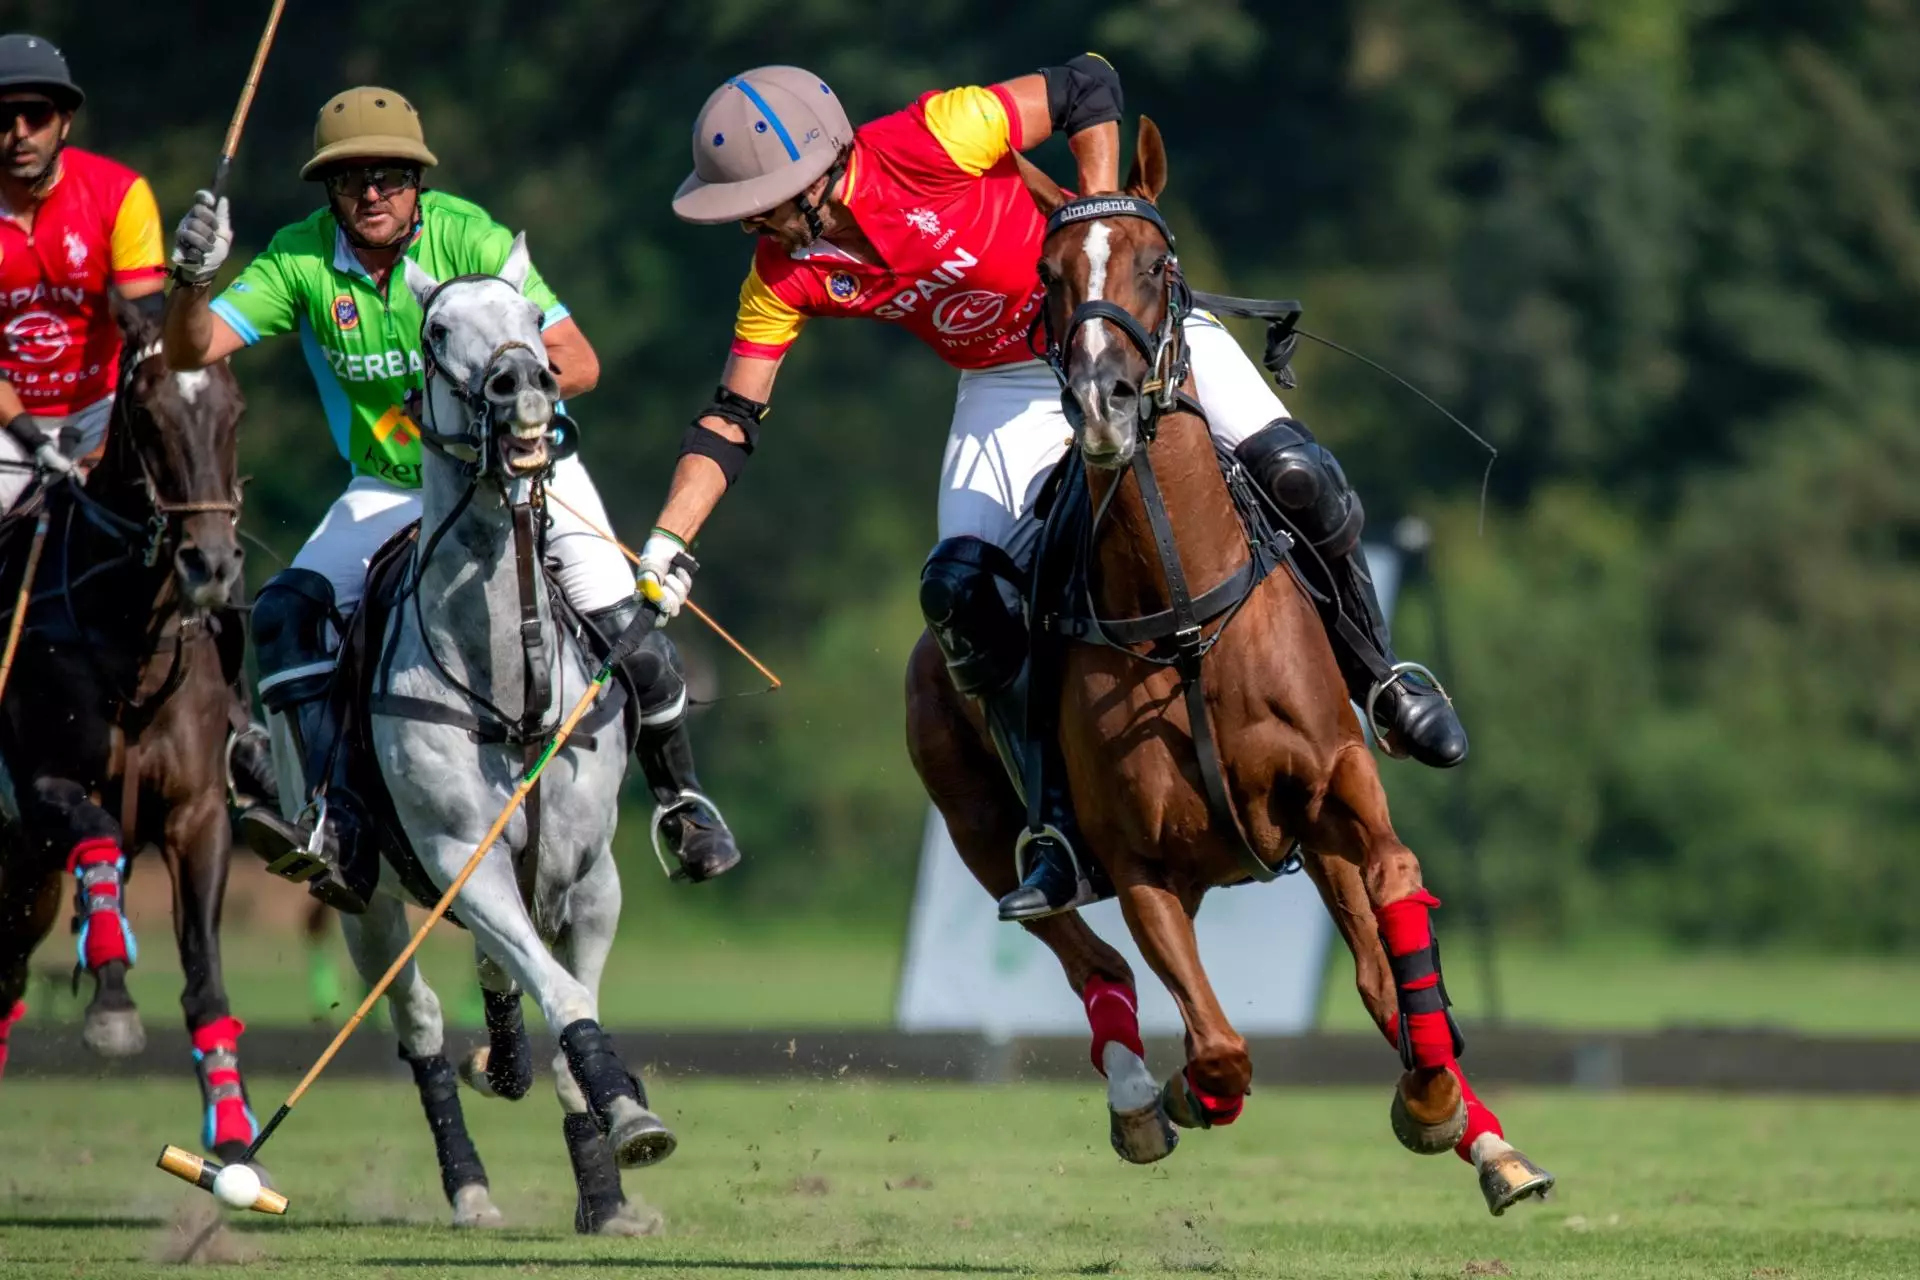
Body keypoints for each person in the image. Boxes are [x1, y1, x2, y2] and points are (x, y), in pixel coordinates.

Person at [658, 59, 1468, 922]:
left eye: (762, 202)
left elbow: (1088, 86)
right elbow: (733, 418)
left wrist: (1099, 224)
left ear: (817, 172)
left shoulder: (934, 136)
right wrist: (669, 545)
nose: (752, 223)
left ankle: (1382, 680)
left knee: (1300, 477)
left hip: (1123, 326)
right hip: (1007, 384)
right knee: (961, 599)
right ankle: (1058, 829)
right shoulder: (781, 276)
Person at [164, 86, 739, 913]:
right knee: (287, 611)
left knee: (629, 628)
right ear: (328, 188)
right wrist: (190, 280)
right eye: (353, 176)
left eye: (392, 175)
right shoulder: (299, 260)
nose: (373, 193)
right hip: (390, 489)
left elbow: (577, 361)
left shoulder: (474, 236)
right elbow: (192, 350)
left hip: (520, 469)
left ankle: (683, 802)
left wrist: (494, 404)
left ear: (418, 182)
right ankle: (332, 821)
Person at [0, 33, 165, 505]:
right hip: (8, 426)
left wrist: (109, 441)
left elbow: (149, 340)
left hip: (104, 409)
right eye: (2, 118)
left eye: (36, 115)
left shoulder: (120, 194)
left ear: (65, 122)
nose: (19, 133)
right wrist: (33, 441)